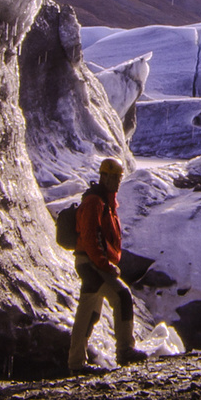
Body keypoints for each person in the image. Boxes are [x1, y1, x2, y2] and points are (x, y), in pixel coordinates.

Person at [67, 158, 143, 372]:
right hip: (92, 263)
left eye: (120, 177)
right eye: (115, 177)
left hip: (89, 262)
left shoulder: (105, 202)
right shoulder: (95, 202)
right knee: (122, 296)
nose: (118, 181)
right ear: (104, 176)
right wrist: (104, 264)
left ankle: (76, 363)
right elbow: (91, 237)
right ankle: (125, 351)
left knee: (89, 311)